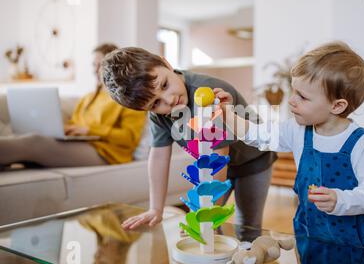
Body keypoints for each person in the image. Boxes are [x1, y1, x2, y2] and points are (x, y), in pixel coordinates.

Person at [215, 41, 364, 264]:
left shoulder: (360, 141)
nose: (291, 100)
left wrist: (340, 199)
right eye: (293, 91)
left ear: (337, 106)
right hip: (313, 231)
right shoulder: (297, 131)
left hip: (357, 239)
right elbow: (258, 135)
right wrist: (228, 114)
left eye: (302, 96)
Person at [100, 47, 277, 239]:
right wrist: (155, 208)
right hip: (216, 164)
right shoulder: (158, 116)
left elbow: (217, 156)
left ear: (166, 63)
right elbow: (158, 157)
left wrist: (206, 213)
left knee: (246, 226)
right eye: (155, 104)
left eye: (165, 85)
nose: (169, 101)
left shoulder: (208, 93)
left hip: (252, 160)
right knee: (205, 229)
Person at [0, 43, 147, 168]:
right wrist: (63, 129)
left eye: (100, 65)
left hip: (107, 153)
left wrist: (89, 130)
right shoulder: (87, 98)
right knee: (30, 142)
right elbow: (74, 124)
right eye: (93, 65)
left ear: (113, 67)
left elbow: (129, 138)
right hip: (79, 144)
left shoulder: (127, 98)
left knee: (34, 142)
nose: (94, 70)